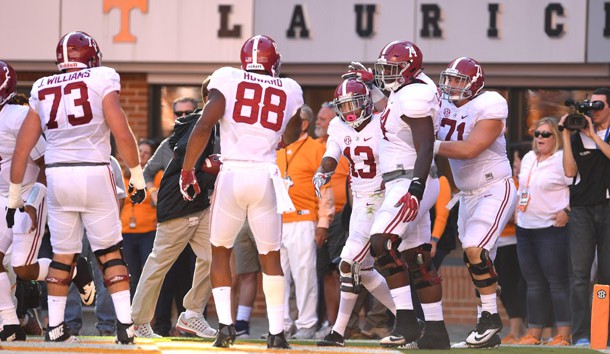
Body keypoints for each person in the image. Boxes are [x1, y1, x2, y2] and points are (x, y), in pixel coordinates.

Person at [7, 31, 146, 344]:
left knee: (62, 256)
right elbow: (121, 131)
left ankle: (55, 328)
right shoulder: (101, 77)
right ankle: (124, 326)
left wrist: (14, 197)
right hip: (94, 171)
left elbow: (22, 148)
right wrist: (136, 174)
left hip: (58, 176)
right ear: (92, 57)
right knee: (110, 253)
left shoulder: (42, 87)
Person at [180, 34, 304, 349]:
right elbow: (290, 130)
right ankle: (277, 333)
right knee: (271, 257)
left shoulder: (228, 78)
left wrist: (187, 169)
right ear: (274, 62)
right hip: (265, 175)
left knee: (221, 251)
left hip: (233, 173)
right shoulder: (289, 88)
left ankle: (225, 328)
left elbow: (205, 124)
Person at [344, 41, 446, 349]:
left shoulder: (416, 94)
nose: (385, 74)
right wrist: (373, 85)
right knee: (417, 259)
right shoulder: (410, 90)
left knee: (382, 243)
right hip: (408, 178)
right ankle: (436, 331)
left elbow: (425, 144)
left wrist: (415, 188)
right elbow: (393, 109)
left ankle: (406, 323)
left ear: (408, 69)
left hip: (410, 178)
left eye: (391, 69)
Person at [434, 56, 517, 349]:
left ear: (475, 83)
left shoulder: (490, 103)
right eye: (450, 79)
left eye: (459, 80)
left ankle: (490, 320)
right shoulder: (442, 105)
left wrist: (429, 145)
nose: (452, 85)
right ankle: (488, 328)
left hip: (495, 187)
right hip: (467, 195)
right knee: (479, 262)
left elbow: (470, 149)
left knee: (474, 249)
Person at [131, 80, 217, 339]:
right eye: (178, 113)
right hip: (177, 206)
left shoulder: (219, 126)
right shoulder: (195, 125)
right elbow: (158, 168)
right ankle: (137, 321)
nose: (182, 117)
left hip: (200, 205)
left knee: (215, 258)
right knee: (158, 265)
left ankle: (191, 313)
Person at [314, 78, 396, 347]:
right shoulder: (338, 125)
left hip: (383, 195)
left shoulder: (382, 120)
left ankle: (338, 332)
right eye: (344, 105)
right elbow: (332, 153)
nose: (348, 110)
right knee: (366, 270)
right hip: (359, 198)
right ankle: (407, 317)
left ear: (367, 103)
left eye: (353, 103)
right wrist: (324, 170)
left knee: (348, 262)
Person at [143, 95, 199, 337]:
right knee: (165, 274)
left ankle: (190, 326)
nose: (183, 117)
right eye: (179, 113)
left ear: (197, 113)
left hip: (199, 217)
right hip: (172, 217)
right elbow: (147, 171)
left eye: (189, 112)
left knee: (194, 275)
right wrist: (154, 193)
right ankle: (162, 326)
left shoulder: (208, 140)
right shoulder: (167, 145)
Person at [276, 104, 332, 339]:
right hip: (276, 220)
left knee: (304, 274)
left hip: (303, 218)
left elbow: (325, 187)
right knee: (277, 277)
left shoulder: (316, 148)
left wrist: (323, 223)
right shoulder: (277, 148)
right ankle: (281, 324)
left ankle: (307, 324)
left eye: (290, 120)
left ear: (304, 123)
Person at [559, 87, 610, 346]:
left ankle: (605, 334)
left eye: (599, 106)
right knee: (579, 275)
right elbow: (569, 171)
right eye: (592, 106)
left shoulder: (600, 134)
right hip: (581, 209)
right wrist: (567, 136)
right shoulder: (577, 135)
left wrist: (594, 135)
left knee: (607, 274)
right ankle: (580, 335)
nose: (594, 112)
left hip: (608, 208)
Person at [514, 117, 571, 346]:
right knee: (533, 282)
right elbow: (523, 188)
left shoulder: (561, 159)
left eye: (546, 134)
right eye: (537, 134)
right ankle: (534, 334)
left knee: (557, 282)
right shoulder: (528, 158)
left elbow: (579, 186)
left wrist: (568, 210)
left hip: (551, 228)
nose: (540, 138)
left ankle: (563, 335)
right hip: (525, 228)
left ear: (555, 137)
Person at [65, 155, 125, 336]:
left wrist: (113, 222)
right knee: (71, 274)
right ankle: (70, 323)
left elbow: (120, 195)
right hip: (75, 225)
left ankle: (106, 325)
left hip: (102, 224)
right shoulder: (70, 158)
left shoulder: (110, 161)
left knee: (106, 276)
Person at [121, 139, 161, 299]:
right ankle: (130, 316)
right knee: (131, 275)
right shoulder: (125, 175)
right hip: (126, 232)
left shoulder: (156, 176)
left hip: (148, 232)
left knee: (149, 275)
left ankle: (148, 316)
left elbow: (158, 201)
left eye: (147, 153)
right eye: (140, 152)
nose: (142, 155)